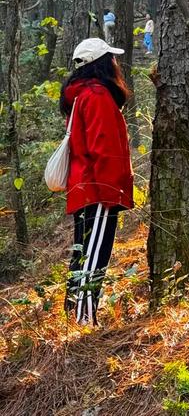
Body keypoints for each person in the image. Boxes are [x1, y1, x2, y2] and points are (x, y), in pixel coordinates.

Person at [59, 38, 133, 326]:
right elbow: (103, 147)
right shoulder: (97, 95)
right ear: (101, 64)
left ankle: (72, 314)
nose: (116, 63)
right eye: (111, 58)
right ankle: (84, 319)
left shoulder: (79, 95)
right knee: (94, 255)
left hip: (84, 187)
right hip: (99, 189)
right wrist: (113, 191)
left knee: (83, 251)